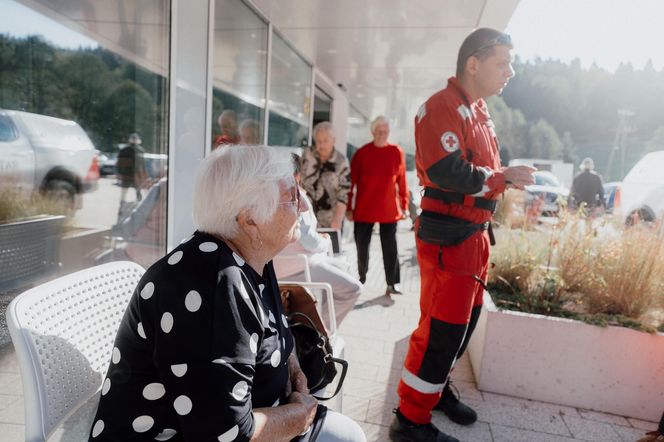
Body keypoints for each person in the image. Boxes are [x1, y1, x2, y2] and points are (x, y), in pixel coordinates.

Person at [89, 146, 365, 442]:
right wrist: (298, 418)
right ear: (250, 220)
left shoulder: (255, 258)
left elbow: (269, 333)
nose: (301, 208)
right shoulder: (211, 286)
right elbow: (224, 434)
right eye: (293, 197)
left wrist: (292, 367)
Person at [391, 28, 536, 442]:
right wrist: (502, 177)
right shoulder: (441, 107)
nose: (510, 71)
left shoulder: (480, 111)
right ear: (473, 64)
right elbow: (445, 171)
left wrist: (502, 178)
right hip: (450, 240)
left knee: (463, 327)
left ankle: (435, 393)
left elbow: (482, 173)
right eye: (503, 62)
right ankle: (410, 420)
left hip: (474, 238)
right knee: (439, 330)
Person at [274, 154, 362, 327]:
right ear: (298, 175)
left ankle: (315, 319)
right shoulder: (296, 196)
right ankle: (319, 330)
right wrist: (325, 242)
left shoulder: (269, 198)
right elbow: (308, 241)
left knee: (344, 266)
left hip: (281, 265)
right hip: (299, 266)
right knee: (353, 289)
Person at [346, 116, 408, 295]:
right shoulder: (362, 153)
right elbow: (351, 183)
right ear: (372, 132)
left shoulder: (396, 152)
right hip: (365, 208)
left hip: (389, 209)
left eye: (385, 132)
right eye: (379, 132)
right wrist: (349, 207)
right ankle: (362, 278)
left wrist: (404, 205)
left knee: (390, 247)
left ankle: (393, 283)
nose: (382, 135)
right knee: (361, 246)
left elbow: (402, 181)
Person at [300, 121, 351, 230]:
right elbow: (299, 180)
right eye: (318, 141)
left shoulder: (341, 161)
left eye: (325, 141)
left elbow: (343, 195)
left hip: (330, 221)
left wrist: (337, 220)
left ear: (334, 141)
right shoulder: (307, 154)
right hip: (306, 217)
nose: (321, 145)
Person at [116, 133, 148, 210]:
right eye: (133, 139)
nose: (134, 141)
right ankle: (122, 206)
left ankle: (139, 206)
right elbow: (120, 163)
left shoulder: (140, 150)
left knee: (138, 191)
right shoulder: (124, 150)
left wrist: (143, 174)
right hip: (127, 174)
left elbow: (142, 164)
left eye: (135, 139)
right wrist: (119, 173)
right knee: (124, 191)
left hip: (135, 174)